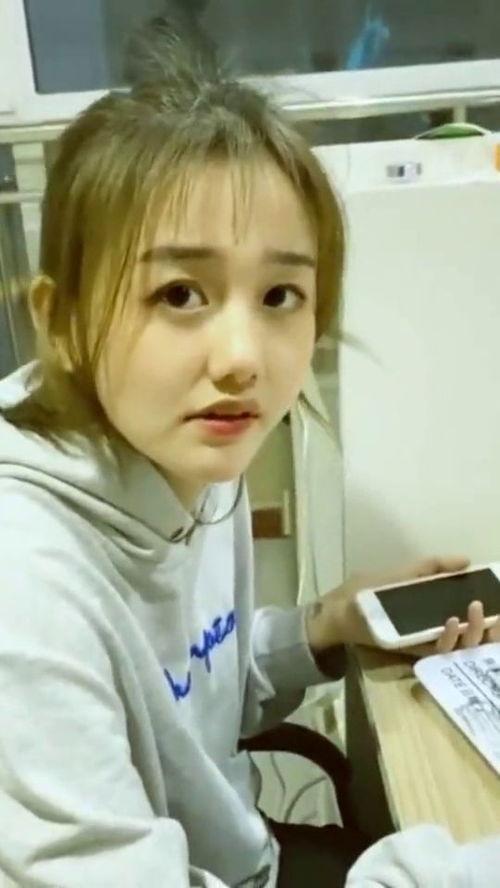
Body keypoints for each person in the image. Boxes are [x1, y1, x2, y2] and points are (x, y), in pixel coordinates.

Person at [0, 18, 498, 888]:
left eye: (280, 295)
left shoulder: (186, 459)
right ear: (62, 321)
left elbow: (191, 691)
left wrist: (324, 627)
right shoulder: (27, 593)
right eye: (179, 293)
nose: (243, 359)